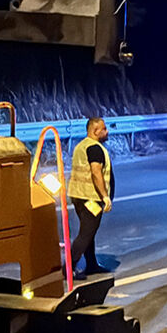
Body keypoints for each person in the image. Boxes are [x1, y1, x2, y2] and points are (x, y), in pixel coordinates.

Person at [67, 118, 114, 279]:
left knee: (89, 231)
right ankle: (69, 268)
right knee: (86, 232)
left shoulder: (82, 145)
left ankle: (92, 264)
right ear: (95, 131)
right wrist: (105, 196)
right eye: (104, 129)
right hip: (90, 198)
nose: (107, 132)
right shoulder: (94, 148)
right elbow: (96, 172)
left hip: (78, 195)